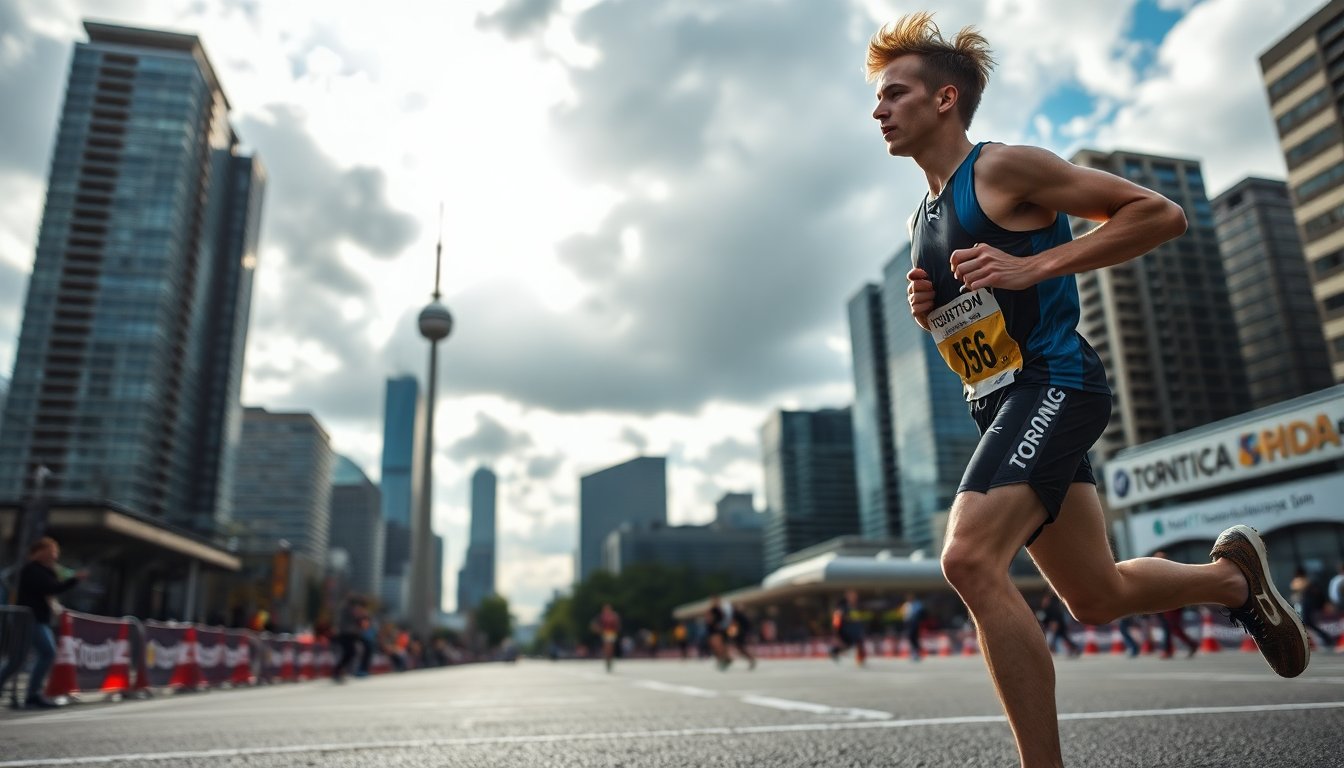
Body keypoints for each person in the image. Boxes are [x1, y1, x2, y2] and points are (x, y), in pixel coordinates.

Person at [871, 12, 1310, 766]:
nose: (878, 109)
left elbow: (1159, 214)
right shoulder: (925, 215)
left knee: (969, 559)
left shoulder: (1003, 168)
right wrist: (933, 315)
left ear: (945, 99)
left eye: (894, 93)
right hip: (1002, 401)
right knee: (1096, 596)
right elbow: (980, 328)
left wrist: (1036, 266)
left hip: (1056, 385)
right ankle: (1234, 582)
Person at [0, 537, 87, 709]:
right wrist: (73, 579)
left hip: (37, 619)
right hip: (30, 619)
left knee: (17, 659)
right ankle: (33, 694)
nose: (54, 556)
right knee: (46, 653)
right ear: (39, 552)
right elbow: (52, 588)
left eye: (55, 552)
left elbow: (52, 589)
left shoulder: (46, 570)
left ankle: (32, 694)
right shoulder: (32, 570)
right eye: (50, 551)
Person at [1290, 566, 1334, 650]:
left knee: (1305, 623)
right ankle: (1324, 638)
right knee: (1306, 623)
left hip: (1304, 605)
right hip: (1301, 605)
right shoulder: (1306, 581)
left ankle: (1324, 639)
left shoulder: (1301, 581)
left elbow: (1296, 588)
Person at [332, 594, 369, 683]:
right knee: (349, 652)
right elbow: (358, 619)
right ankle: (338, 671)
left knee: (353, 652)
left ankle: (341, 671)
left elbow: (361, 622)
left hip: (351, 634)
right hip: (346, 634)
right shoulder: (348, 609)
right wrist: (361, 615)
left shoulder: (349, 609)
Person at [829, 590, 868, 666]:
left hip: (856, 631)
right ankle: (834, 651)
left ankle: (860, 659)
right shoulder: (843, 607)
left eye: (855, 596)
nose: (854, 598)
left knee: (859, 642)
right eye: (852, 596)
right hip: (846, 631)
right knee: (847, 645)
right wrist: (836, 632)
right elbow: (837, 619)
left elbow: (859, 619)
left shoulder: (858, 606)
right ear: (848, 597)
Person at [1035, 592, 1079, 657]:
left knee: (1054, 639)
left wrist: (1053, 630)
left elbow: (1054, 622)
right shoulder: (1045, 609)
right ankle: (1054, 651)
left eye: (1045, 600)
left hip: (1059, 626)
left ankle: (1074, 649)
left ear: (1048, 600)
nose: (1044, 602)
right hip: (1054, 627)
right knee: (1062, 638)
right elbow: (1044, 620)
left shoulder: (1052, 608)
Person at [590, 603, 621, 673]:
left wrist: (617, 630)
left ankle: (610, 660)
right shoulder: (601, 616)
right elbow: (595, 624)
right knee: (607, 648)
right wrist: (597, 629)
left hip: (612, 633)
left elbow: (617, 624)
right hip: (605, 633)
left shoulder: (614, 615)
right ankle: (607, 660)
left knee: (611, 648)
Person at [705, 596, 733, 670]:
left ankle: (724, 659)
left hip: (717, 631)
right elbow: (708, 620)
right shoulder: (712, 610)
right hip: (712, 631)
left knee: (719, 646)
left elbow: (724, 620)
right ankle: (722, 660)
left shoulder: (719, 611)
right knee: (715, 647)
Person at [727, 603, 757, 671]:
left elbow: (733, 625)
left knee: (740, 648)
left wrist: (731, 634)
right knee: (740, 648)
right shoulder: (739, 614)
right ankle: (751, 659)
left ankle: (751, 659)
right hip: (741, 633)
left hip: (739, 634)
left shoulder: (735, 615)